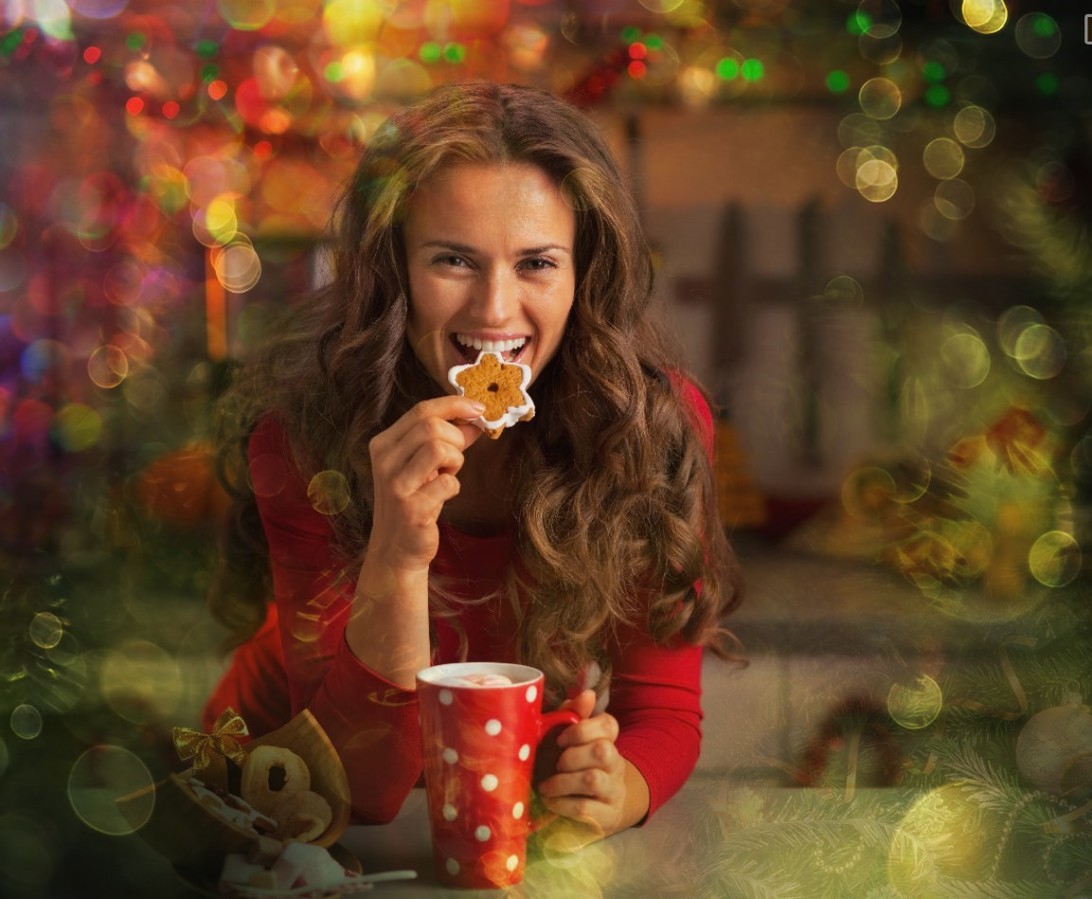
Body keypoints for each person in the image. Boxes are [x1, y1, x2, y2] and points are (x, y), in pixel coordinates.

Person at [202, 80, 741, 840]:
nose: (494, 310)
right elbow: (364, 791)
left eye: (536, 263)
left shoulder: (650, 426)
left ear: (586, 271)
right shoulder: (303, 439)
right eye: (453, 259)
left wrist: (620, 784)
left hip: (489, 798)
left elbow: (663, 711)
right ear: (393, 270)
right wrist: (395, 553)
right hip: (271, 787)